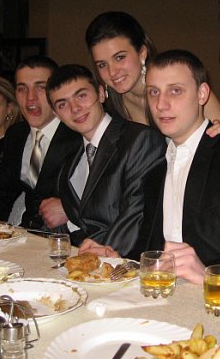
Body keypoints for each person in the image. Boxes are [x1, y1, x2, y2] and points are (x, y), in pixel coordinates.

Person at [83, 49, 220, 297]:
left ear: (202, 94)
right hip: (175, 297)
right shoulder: (156, 171)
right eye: (154, 92)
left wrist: (212, 275)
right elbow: (151, 248)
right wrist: (116, 258)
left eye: (175, 91)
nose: (161, 104)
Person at [46, 64, 166, 256]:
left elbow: (137, 214)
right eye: (62, 104)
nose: (75, 108)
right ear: (56, 114)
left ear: (101, 94)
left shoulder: (139, 139)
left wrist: (101, 254)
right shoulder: (70, 156)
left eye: (81, 95)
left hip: (125, 260)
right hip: (83, 258)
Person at [85, 11, 220, 133]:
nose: (112, 72)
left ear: (142, 53)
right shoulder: (111, 104)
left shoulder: (182, 84)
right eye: (102, 65)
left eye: (120, 57)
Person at [0, 56, 82, 230]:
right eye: (22, 89)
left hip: (68, 238)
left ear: (57, 91)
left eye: (40, 87)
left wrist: (71, 208)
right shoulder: (17, 134)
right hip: (26, 235)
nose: (30, 98)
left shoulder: (79, 135)